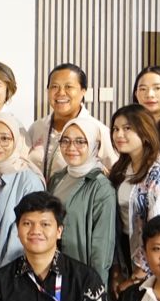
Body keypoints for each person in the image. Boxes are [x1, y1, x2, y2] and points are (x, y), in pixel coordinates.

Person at [108, 105, 160, 293]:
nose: (119, 134)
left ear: (145, 132)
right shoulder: (122, 167)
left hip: (153, 263)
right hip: (126, 250)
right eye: (116, 129)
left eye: (127, 128)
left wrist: (138, 275)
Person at [47, 115, 117, 283]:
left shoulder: (101, 187)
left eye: (80, 141)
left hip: (81, 277)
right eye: (65, 141)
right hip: (52, 272)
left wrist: (96, 288)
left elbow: (102, 247)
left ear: (94, 145)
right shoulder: (57, 178)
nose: (71, 147)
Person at [0, 114, 45, 274]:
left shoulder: (30, 181)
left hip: (16, 263)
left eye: (5, 138)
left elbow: (26, 236)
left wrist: (1, 278)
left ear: (16, 141)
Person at [27, 63, 116, 179]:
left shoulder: (98, 130)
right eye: (54, 86)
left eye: (68, 87)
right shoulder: (37, 127)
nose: (61, 92)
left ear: (83, 91)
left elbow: (115, 171)